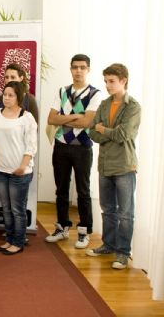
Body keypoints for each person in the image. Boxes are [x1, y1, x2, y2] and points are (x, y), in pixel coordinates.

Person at [86, 63, 141, 270]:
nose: (108, 86)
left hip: (125, 166)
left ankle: (123, 253)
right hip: (105, 165)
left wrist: (104, 130)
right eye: (106, 81)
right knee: (107, 209)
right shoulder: (104, 104)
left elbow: (124, 134)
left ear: (123, 81)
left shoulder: (133, 106)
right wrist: (107, 130)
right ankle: (108, 245)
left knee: (125, 213)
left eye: (112, 81)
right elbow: (92, 132)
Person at [45, 54, 102, 248]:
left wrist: (65, 117)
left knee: (83, 191)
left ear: (88, 70)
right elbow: (51, 119)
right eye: (75, 67)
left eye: (82, 67)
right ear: (70, 68)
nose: (78, 71)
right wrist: (76, 115)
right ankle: (62, 227)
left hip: (82, 148)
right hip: (61, 146)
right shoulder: (62, 91)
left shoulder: (94, 93)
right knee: (61, 189)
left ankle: (84, 231)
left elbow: (87, 122)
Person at [0, 81, 38, 256]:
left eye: (11, 95)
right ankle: (9, 239)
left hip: (20, 172)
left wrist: (22, 166)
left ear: (19, 97)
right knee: (6, 207)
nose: (7, 98)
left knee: (18, 209)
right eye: (5, 94)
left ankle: (18, 242)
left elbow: (31, 146)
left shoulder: (27, 118)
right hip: (0, 170)